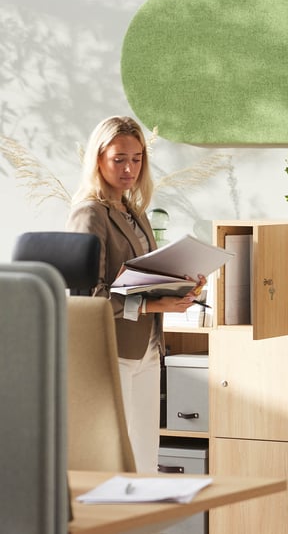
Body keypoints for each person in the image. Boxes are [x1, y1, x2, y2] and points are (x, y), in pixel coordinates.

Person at [67, 116, 204, 472]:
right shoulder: (89, 214)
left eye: (137, 158)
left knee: (146, 459)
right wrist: (152, 304)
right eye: (119, 159)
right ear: (98, 159)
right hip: (113, 350)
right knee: (117, 461)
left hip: (148, 347)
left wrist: (181, 286)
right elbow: (90, 297)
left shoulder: (135, 212)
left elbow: (144, 277)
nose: (129, 169)